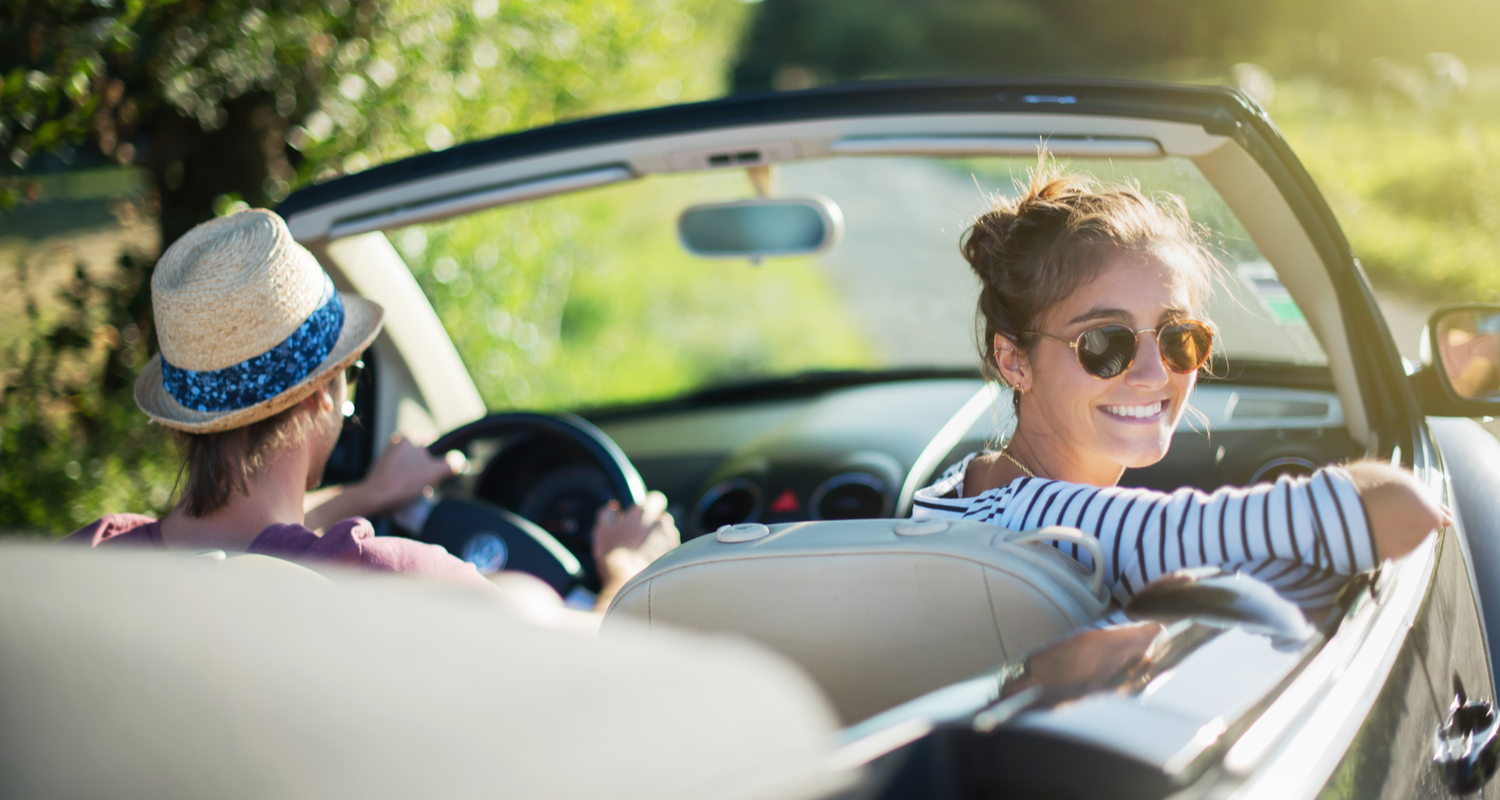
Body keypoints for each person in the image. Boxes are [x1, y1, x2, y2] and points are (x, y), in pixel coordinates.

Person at [65, 209, 677, 617]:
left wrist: (373, 489)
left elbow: (236, 534)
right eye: (349, 377)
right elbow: (595, 663)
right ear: (320, 395)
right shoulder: (393, 583)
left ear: (184, 418)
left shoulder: (85, 568)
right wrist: (630, 568)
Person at [912, 166, 1446, 607]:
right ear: (1014, 362)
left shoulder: (960, 488)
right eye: (1104, 342)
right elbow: (1400, 509)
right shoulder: (1072, 529)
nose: (1152, 373)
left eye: (1179, 336)